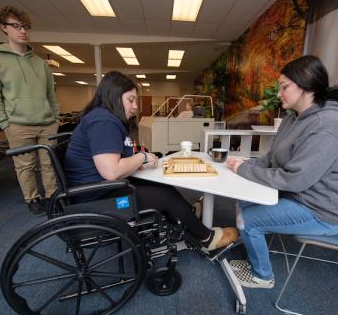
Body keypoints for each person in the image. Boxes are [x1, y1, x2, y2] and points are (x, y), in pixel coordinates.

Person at [64, 71, 238, 251]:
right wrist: (142, 156)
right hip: (97, 201)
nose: (135, 106)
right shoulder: (103, 120)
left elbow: (115, 161)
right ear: (114, 97)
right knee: (166, 196)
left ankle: (187, 216)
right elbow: (111, 171)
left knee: (160, 188)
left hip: (98, 191)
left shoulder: (103, 118)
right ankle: (207, 239)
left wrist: (139, 163)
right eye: (131, 100)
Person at [226, 55, 338, 289]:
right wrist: (248, 164)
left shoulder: (328, 126)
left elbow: (293, 179)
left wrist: (244, 169)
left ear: (306, 87)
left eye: (284, 87)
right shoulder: (292, 118)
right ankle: (254, 252)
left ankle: (262, 276)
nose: (279, 93)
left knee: (248, 220)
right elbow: (272, 157)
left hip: (323, 209)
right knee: (243, 203)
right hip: (302, 196)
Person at [0, 6, 60, 216]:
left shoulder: (41, 63)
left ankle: (52, 197)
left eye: (25, 26)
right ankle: (32, 199)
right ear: (3, 28)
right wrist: (4, 122)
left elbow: (51, 95)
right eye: (16, 26)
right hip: (17, 124)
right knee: (25, 165)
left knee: (49, 163)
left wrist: (55, 119)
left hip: (46, 122)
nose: (22, 30)